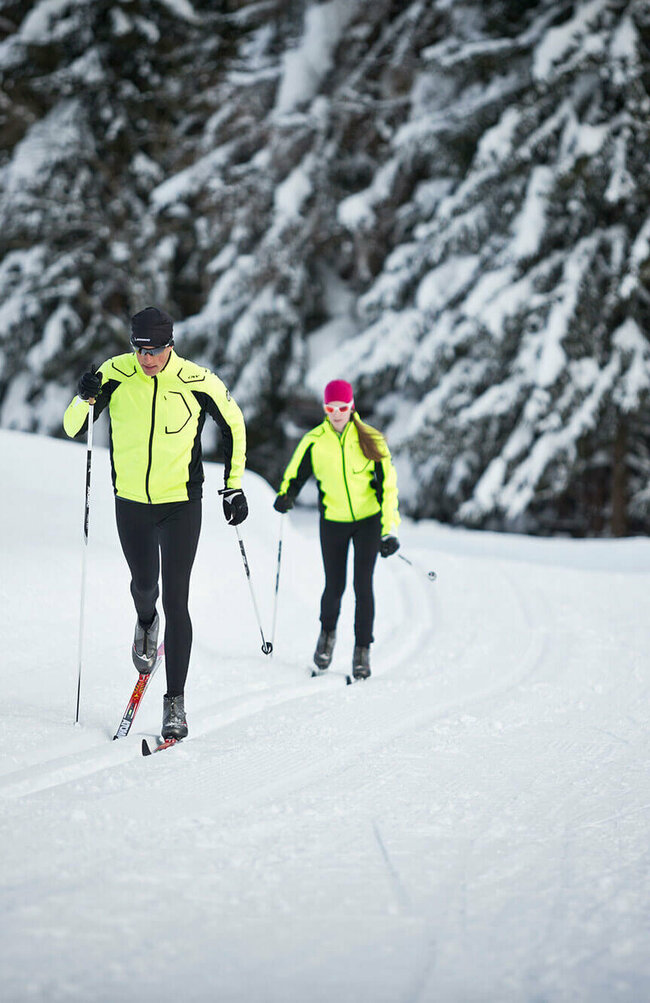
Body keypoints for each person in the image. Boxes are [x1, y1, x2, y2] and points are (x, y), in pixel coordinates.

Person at [63, 306, 248, 740]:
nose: (147, 360)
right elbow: (74, 426)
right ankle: (145, 622)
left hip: (181, 503)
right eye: (139, 350)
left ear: (170, 345)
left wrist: (233, 485)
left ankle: (175, 704)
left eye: (155, 351)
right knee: (145, 585)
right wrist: (84, 395)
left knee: (177, 599)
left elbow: (234, 424)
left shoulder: (197, 381)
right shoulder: (115, 373)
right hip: (131, 502)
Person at [273, 379, 400, 679]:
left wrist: (389, 530)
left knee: (362, 586)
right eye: (331, 408)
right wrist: (286, 495)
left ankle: (362, 651)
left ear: (351, 405)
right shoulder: (315, 441)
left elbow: (388, 489)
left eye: (343, 407)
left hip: (367, 522)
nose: (337, 413)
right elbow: (296, 473)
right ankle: (326, 638)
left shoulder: (371, 439)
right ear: (325, 408)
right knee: (334, 586)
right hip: (332, 522)